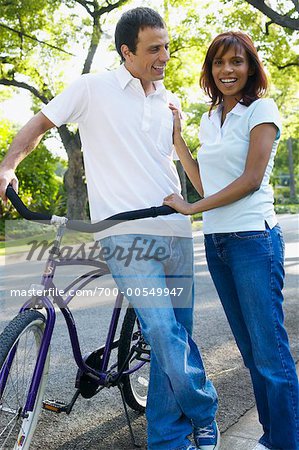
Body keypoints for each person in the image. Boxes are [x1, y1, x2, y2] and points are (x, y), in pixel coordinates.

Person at [0, 7, 220, 450]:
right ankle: (204, 407)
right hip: (125, 234)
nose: (165, 56)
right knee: (160, 330)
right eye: (154, 48)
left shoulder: (168, 100)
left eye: (167, 46)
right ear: (127, 51)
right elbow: (40, 125)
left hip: (175, 230)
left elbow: (183, 168)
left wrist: (214, 199)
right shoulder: (91, 88)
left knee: (173, 337)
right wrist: (7, 166)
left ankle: (167, 440)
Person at [163, 31, 299, 450]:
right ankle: (272, 436)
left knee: (271, 354)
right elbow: (208, 183)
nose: (227, 70)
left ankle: (287, 442)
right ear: (210, 70)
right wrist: (179, 140)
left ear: (250, 67)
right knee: (251, 352)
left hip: (253, 241)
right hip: (219, 244)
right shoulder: (211, 117)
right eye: (220, 63)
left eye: (236, 62)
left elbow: (251, 180)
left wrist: (191, 209)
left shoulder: (262, 110)